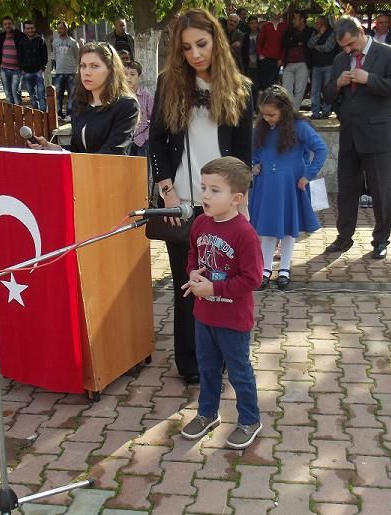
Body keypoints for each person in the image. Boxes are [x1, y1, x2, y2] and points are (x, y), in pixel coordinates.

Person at [148, 8, 253, 385]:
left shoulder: (240, 88)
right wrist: (167, 190)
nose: (195, 54)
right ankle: (190, 364)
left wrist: (241, 209)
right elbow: (157, 140)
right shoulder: (170, 83)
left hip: (224, 207)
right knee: (187, 285)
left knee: (221, 287)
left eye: (202, 44)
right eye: (187, 47)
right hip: (184, 204)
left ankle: (220, 359)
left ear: (216, 42)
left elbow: (243, 154)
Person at [180, 156, 263, 450]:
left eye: (215, 190)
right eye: (204, 187)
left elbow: (252, 279)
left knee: (240, 372)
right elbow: (193, 253)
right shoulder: (200, 223)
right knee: (207, 368)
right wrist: (192, 271)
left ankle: (250, 420)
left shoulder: (244, 234)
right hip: (205, 315)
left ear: (236, 199)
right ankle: (206, 414)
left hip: (233, 319)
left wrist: (214, 286)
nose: (205, 195)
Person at [324, 16, 391, 259]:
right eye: (344, 47)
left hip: (377, 135)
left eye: (351, 44)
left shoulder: (389, 53)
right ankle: (344, 237)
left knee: (380, 192)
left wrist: (369, 79)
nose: (348, 50)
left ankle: (381, 240)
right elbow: (327, 95)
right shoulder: (340, 60)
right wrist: (337, 84)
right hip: (349, 134)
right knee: (346, 190)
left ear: (361, 32)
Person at [250, 86, 326, 290]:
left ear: (284, 109)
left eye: (272, 114)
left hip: (291, 185)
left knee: (288, 227)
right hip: (266, 184)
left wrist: (307, 175)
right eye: (263, 114)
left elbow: (320, 149)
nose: (267, 118)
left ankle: (284, 268)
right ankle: (265, 269)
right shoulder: (261, 128)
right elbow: (253, 149)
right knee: (266, 228)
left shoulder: (299, 126)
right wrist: (253, 164)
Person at [27, 42, 137, 154]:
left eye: (94, 66)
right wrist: (52, 148)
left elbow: (113, 152)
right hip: (82, 170)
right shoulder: (79, 104)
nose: (86, 72)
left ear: (111, 70)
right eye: (83, 66)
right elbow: (78, 151)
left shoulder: (126, 105)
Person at [308, 15, 339, 119]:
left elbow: (328, 47)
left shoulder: (331, 32)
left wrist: (315, 47)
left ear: (323, 24)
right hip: (316, 65)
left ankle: (326, 112)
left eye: (317, 23)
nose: (315, 25)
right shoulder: (315, 33)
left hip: (328, 65)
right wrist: (319, 35)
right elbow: (309, 44)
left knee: (327, 90)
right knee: (314, 91)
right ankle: (315, 113)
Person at [281, 10, 313, 111]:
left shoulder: (310, 31)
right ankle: (290, 111)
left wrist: (294, 41)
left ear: (302, 20)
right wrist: (298, 42)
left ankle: (294, 112)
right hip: (289, 64)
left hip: (303, 63)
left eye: (295, 19)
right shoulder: (289, 31)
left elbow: (306, 41)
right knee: (286, 90)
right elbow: (285, 43)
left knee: (300, 90)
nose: (293, 21)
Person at [0, 16, 25, 104]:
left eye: (9, 24)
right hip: (4, 68)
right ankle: (11, 114)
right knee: (7, 92)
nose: (7, 26)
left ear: (13, 24)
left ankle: (18, 114)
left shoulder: (20, 35)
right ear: (3, 26)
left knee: (15, 92)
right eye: (5, 24)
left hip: (17, 69)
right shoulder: (1, 36)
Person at [53, 21, 80, 121]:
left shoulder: (73, 42)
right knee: (58, 95)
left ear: (66, 29)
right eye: (58, 28)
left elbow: (77, 56)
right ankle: (59, 114)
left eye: (62, 28)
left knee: (71, 95)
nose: (60, 30)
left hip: (71, 72)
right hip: (59, 72)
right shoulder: (55, 42)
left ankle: (69, 114)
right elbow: (55, 56)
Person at [124, 60, 153, 157]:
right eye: (125, 74)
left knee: (142, 171)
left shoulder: (146, 96)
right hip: (124, 142)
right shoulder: (119, 97)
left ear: (139, 77)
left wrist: (144, 137)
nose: (128, 78)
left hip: (142, 142)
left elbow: (155, 120)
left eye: (132, 74)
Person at [18, 21, 48, 112]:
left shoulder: (40, 40)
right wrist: (22, 68)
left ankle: (43, 113)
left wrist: (42, 68)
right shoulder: (22, 41)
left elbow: (45, 55)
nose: (30, 30)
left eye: (32, 28)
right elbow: (20, 56)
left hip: (38, 71)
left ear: (34, 28)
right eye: (28, 28)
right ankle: (36, 112)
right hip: (26, 72)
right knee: (31, 95)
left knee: (41, 94)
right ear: (25, 30)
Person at [257, 10, 288, 90]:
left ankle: (269, 100)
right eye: (274, 11)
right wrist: (260, 55)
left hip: (277, 60)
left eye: (278, 11)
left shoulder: (285, 26)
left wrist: (281, 59)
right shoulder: (266, 26)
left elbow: (285, 45)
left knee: (271, 83)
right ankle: (263, 101)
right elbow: (259, 42)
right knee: (263, 83)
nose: (276, 14)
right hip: (265, 58)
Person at [240, 15, 261, 105]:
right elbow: (243, 51)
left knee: (257, 87)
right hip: (248, 64)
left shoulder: (261, 34)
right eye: (251, 23)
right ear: (248, 25)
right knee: (248, 87)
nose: (253, 25)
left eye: (255, 23)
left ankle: (256, 106)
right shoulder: (245, 36)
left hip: (259, 65)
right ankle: (250, 107)